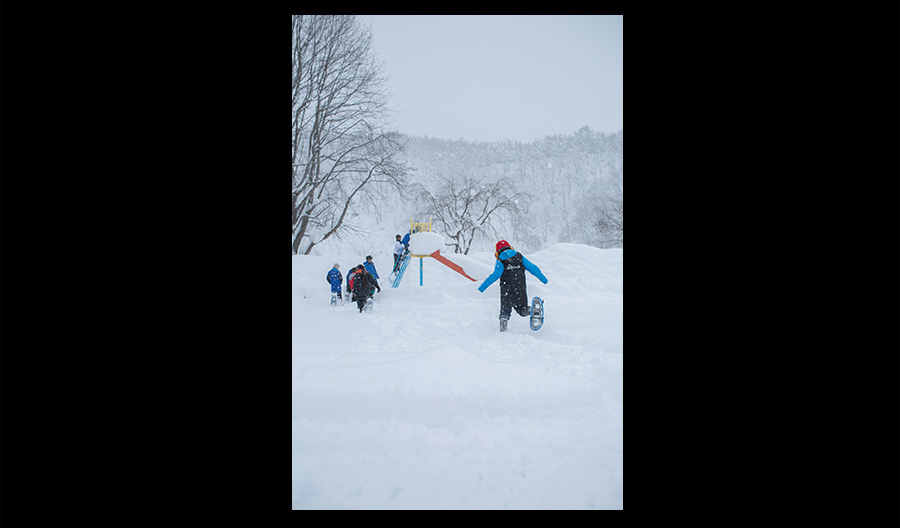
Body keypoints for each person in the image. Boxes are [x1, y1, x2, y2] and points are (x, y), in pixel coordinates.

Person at [477, 240, 549, 332]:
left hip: (506, 290)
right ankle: (532, 310)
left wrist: (482, 288)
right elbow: (533, 268)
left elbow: (494, 275)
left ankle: (503, 329)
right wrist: (543, 279)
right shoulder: (519, 257)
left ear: (497, 252)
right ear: (511, 247)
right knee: (522, 310)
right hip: (520, 288)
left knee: (505, 310)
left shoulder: (501, 260)